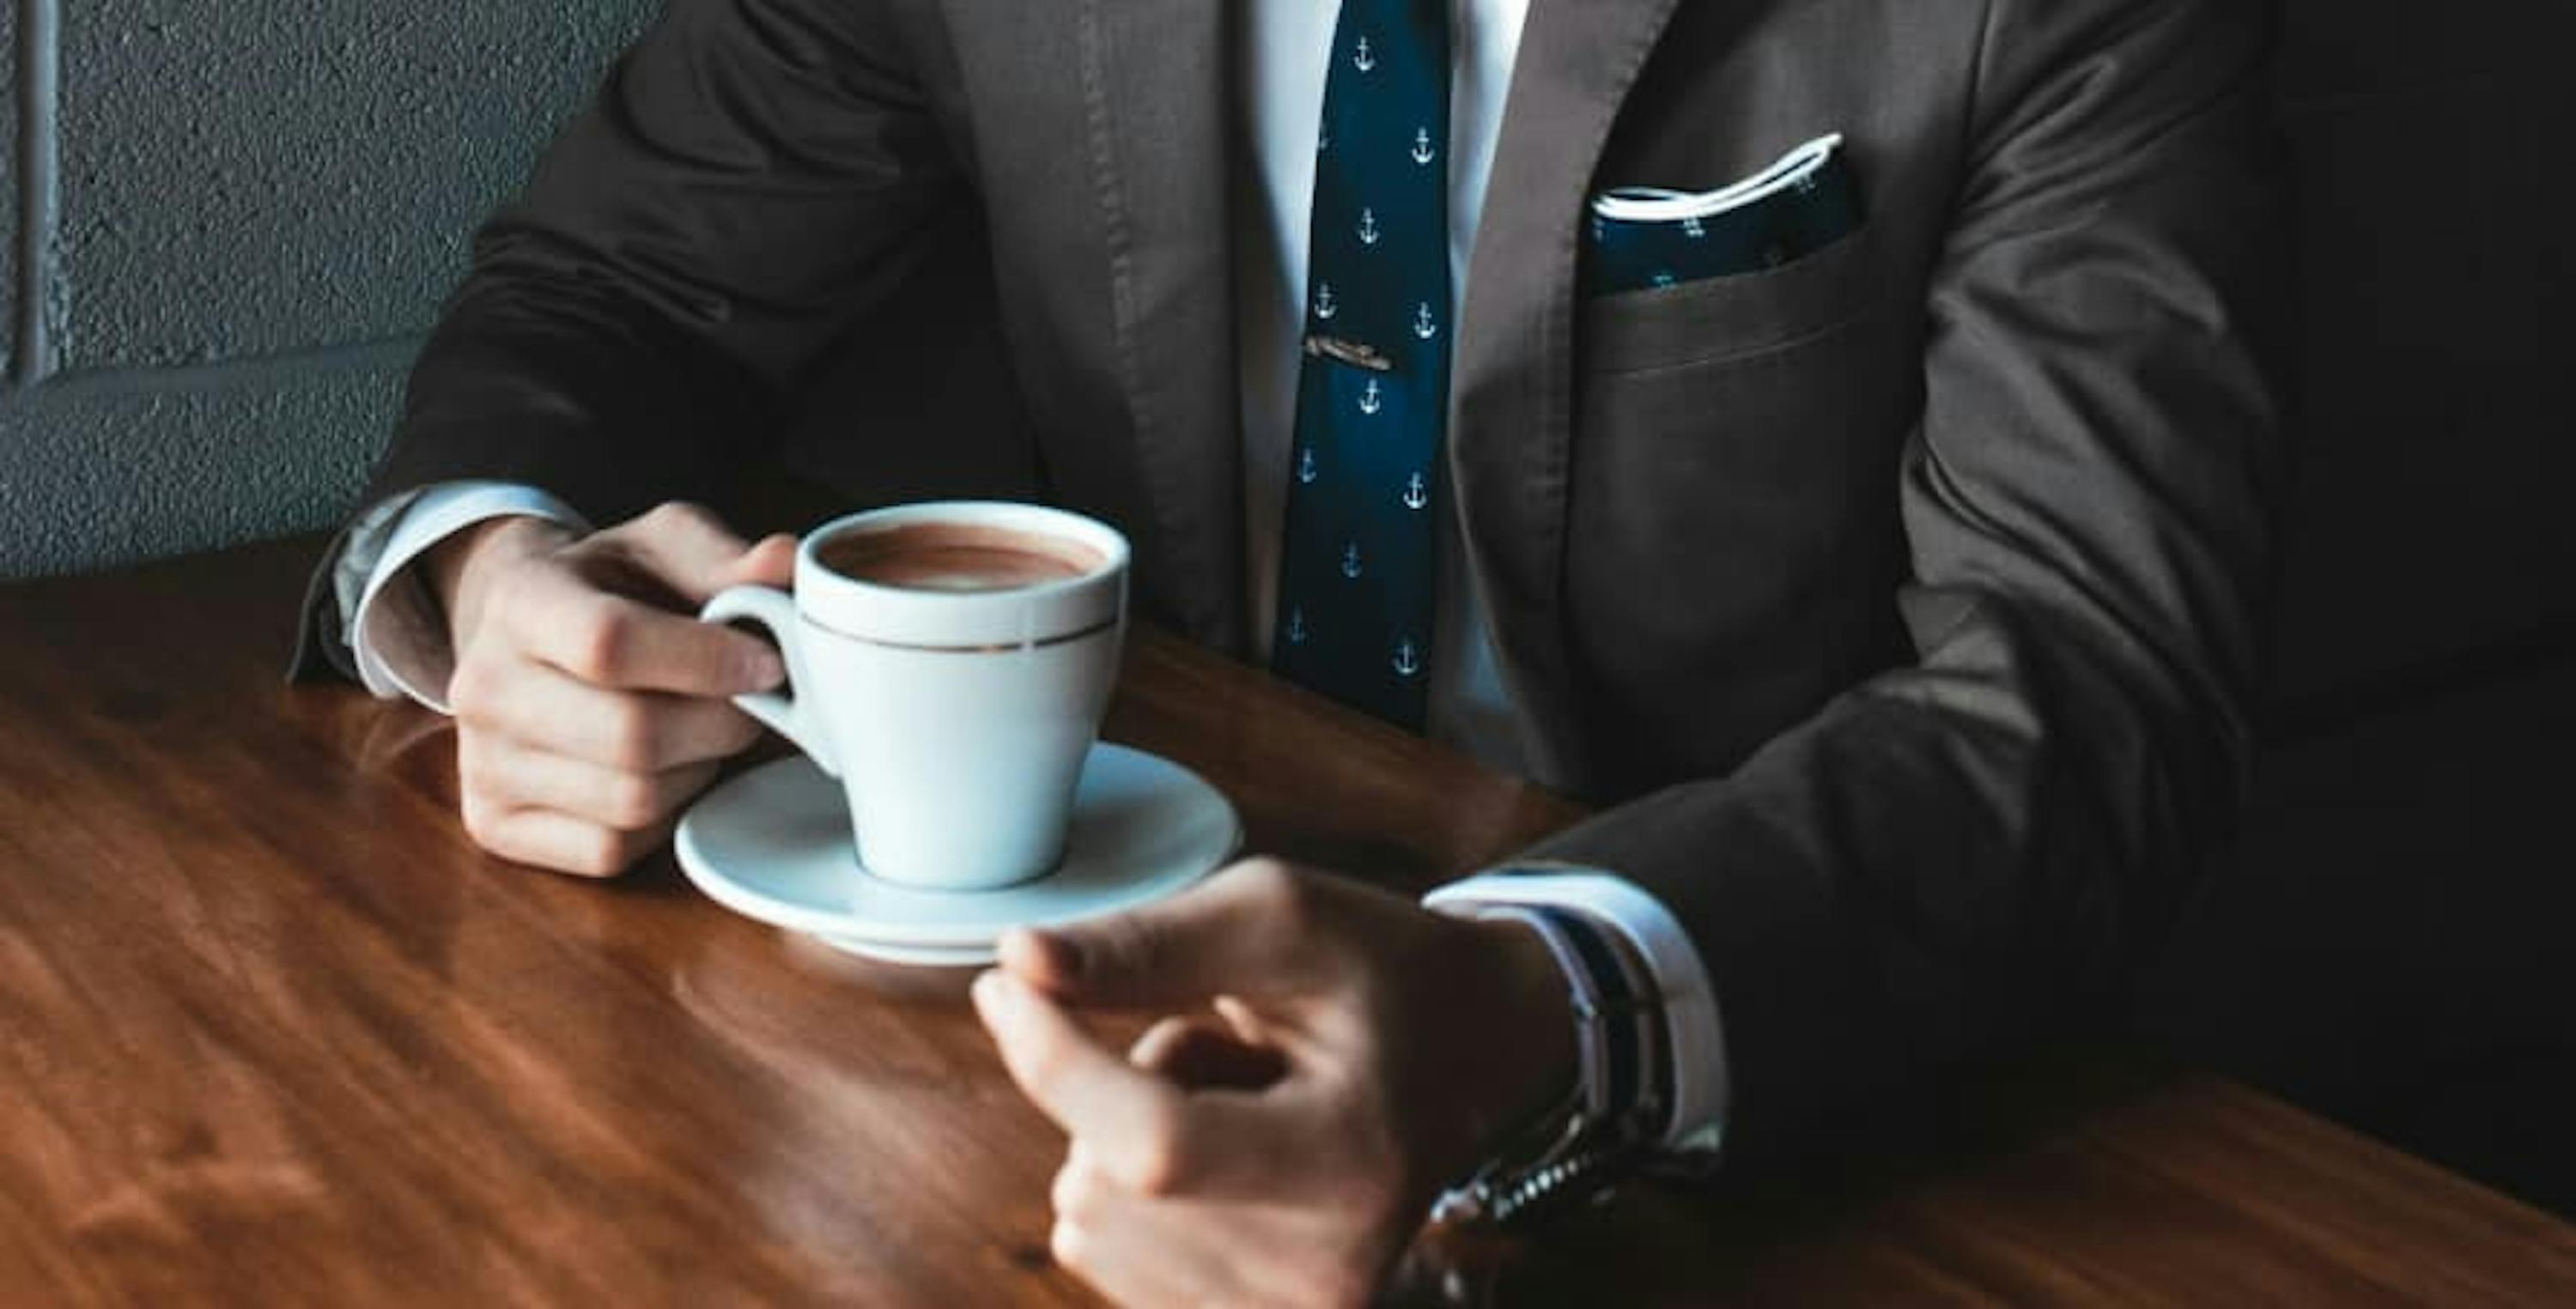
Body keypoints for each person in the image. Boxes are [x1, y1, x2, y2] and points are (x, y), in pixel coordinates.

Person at [293, 0, 2289, 1302]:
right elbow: (615, 280)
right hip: (1013, 1056)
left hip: (1749, 1108)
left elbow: (2090, 680)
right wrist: (484, 575)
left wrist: (1548, 1006)